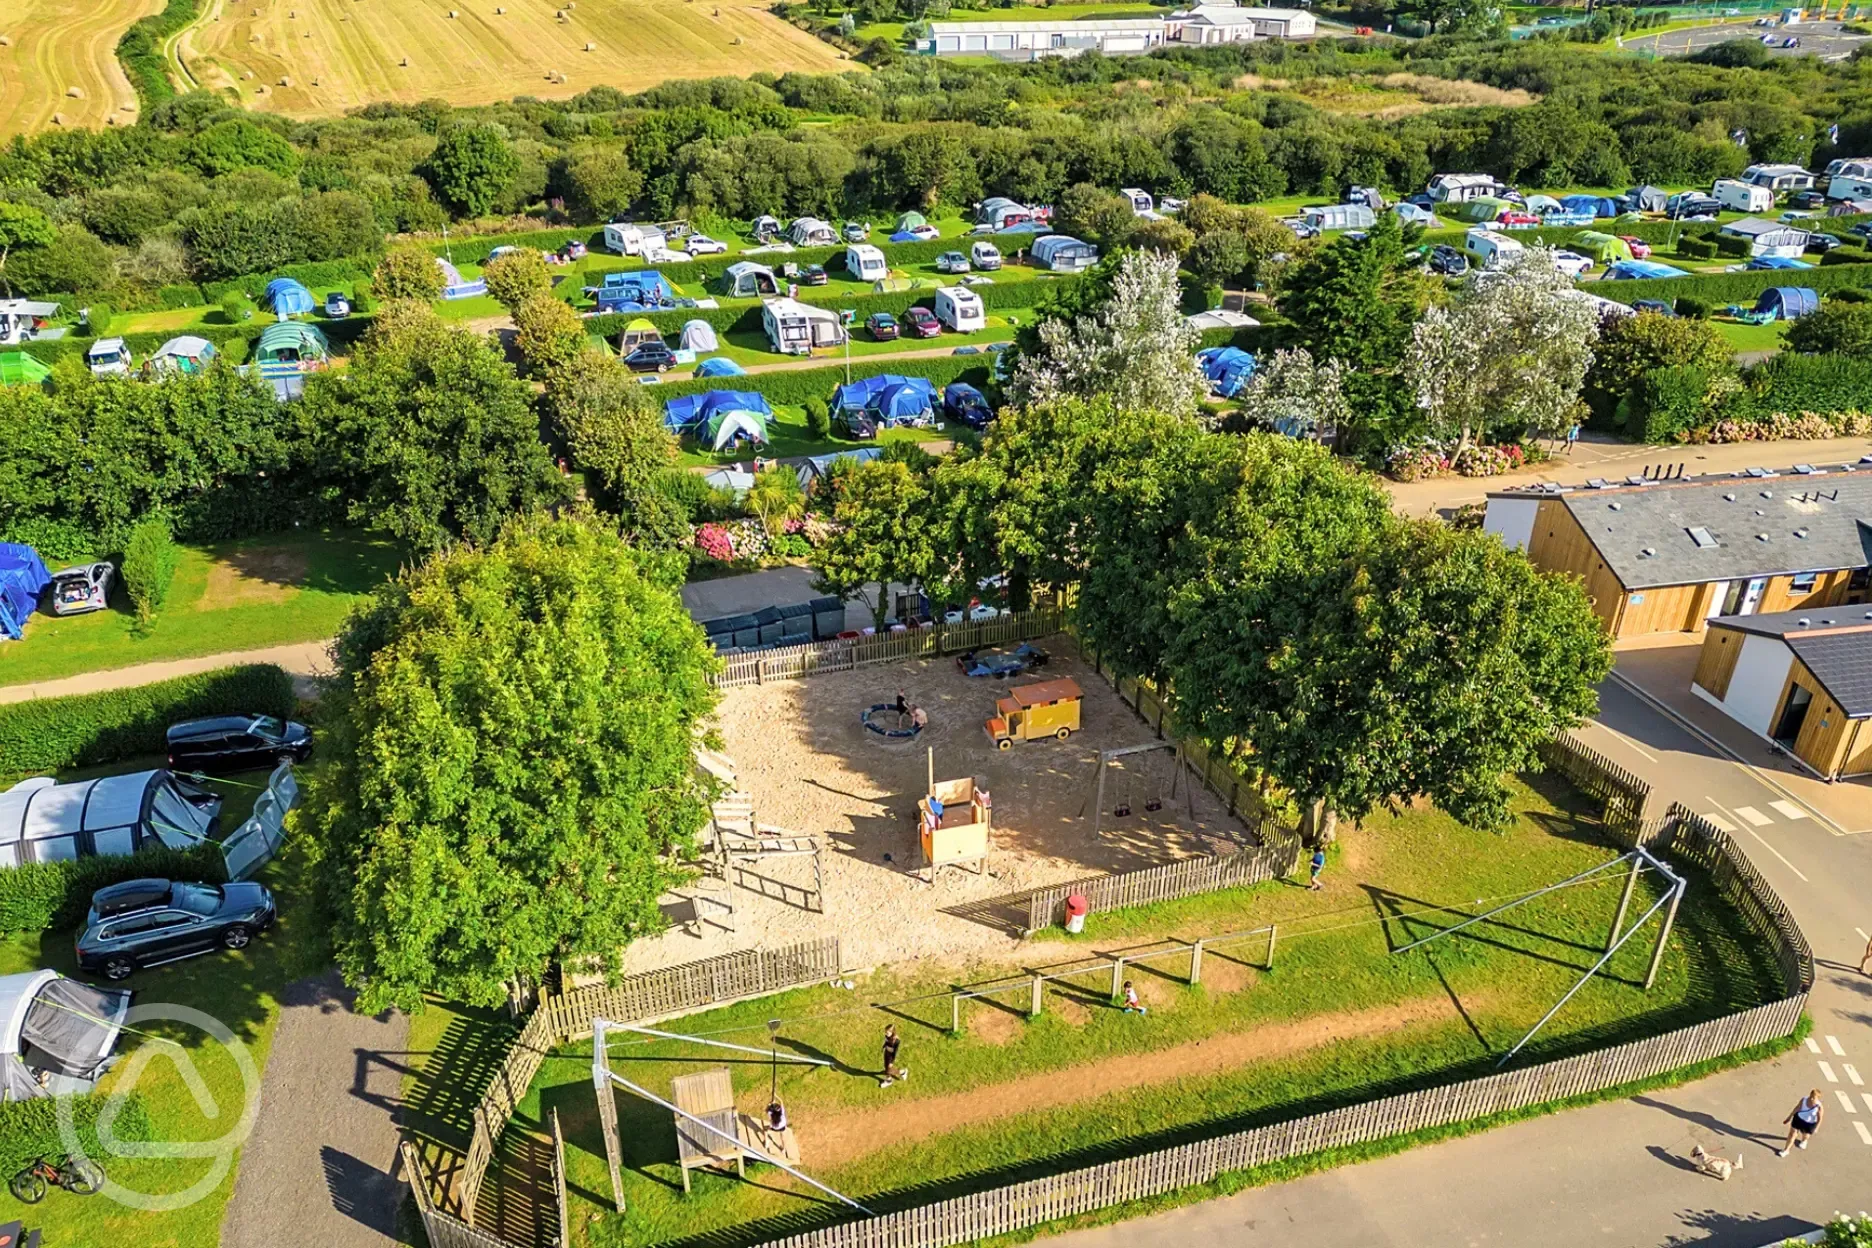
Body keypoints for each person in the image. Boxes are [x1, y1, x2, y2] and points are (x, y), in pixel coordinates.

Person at [1780, 1088, 1824, 1155]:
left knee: (1805, 1135)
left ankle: (1804, 1140)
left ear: (1818, 1098)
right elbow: (1797, 1107)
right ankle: (1786, 1150)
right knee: (1792, 1134)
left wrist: (1817, 1128)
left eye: (1814, 1098)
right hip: (1798, 1119)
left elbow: (1819, 1118)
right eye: (1811, 1096)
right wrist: (1789, 1117)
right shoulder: (1804, 1099)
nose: (1811, 1099)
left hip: (1809, 1123)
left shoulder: (1819, 1107)